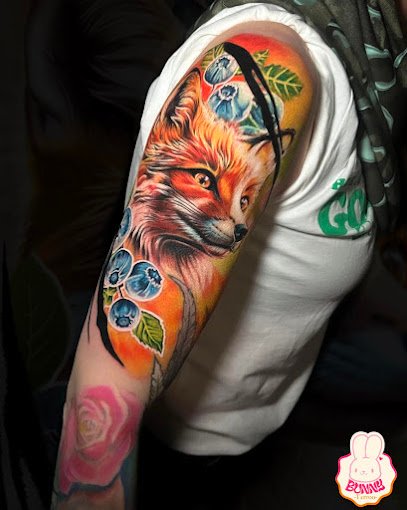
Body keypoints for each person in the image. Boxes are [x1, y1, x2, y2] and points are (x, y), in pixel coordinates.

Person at [50, 2, 406, 509]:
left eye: (243, 201)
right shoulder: (262, 72)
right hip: (168, 451)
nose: (234, 219)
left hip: (260, 424)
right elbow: (104, 394)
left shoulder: (377, 60)